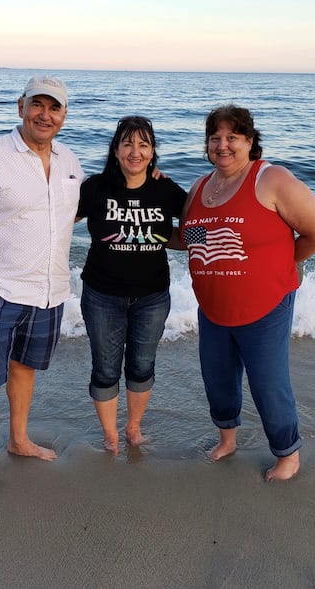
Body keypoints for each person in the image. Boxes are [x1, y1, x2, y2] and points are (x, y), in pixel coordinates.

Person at [0, 75, 84, 496]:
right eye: (37, 105)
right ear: (21, 106)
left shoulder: (69, 162)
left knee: (24, 369)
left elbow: (71, 214)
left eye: (54, 107)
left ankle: (19, 439)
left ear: (64, 115)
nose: (45, 114)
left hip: (49, 292)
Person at [181, 105, 315, 481]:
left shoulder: (271, 179)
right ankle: (227, 441)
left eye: (232, 137)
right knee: (217, 379)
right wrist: (135, 227)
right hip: (213, 305)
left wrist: (283, 265)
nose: (222, 145)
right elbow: (193, 239)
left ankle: (287, 455)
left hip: (266, 305)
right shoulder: (200, 186)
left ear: (250, 141)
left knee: (267, 383)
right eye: (215, 138)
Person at [77, 116, 187, 454]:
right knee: (106, 367)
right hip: (101, 295)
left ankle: (133, 427)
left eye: (143, 144)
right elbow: (56, 218)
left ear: (153, 152)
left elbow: (195, 227)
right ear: (115, 150)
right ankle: (110, 435)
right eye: (127, 143)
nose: (135, 152)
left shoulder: (165, 189)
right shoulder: (95, 187)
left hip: (152, 296)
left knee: (141, 365)